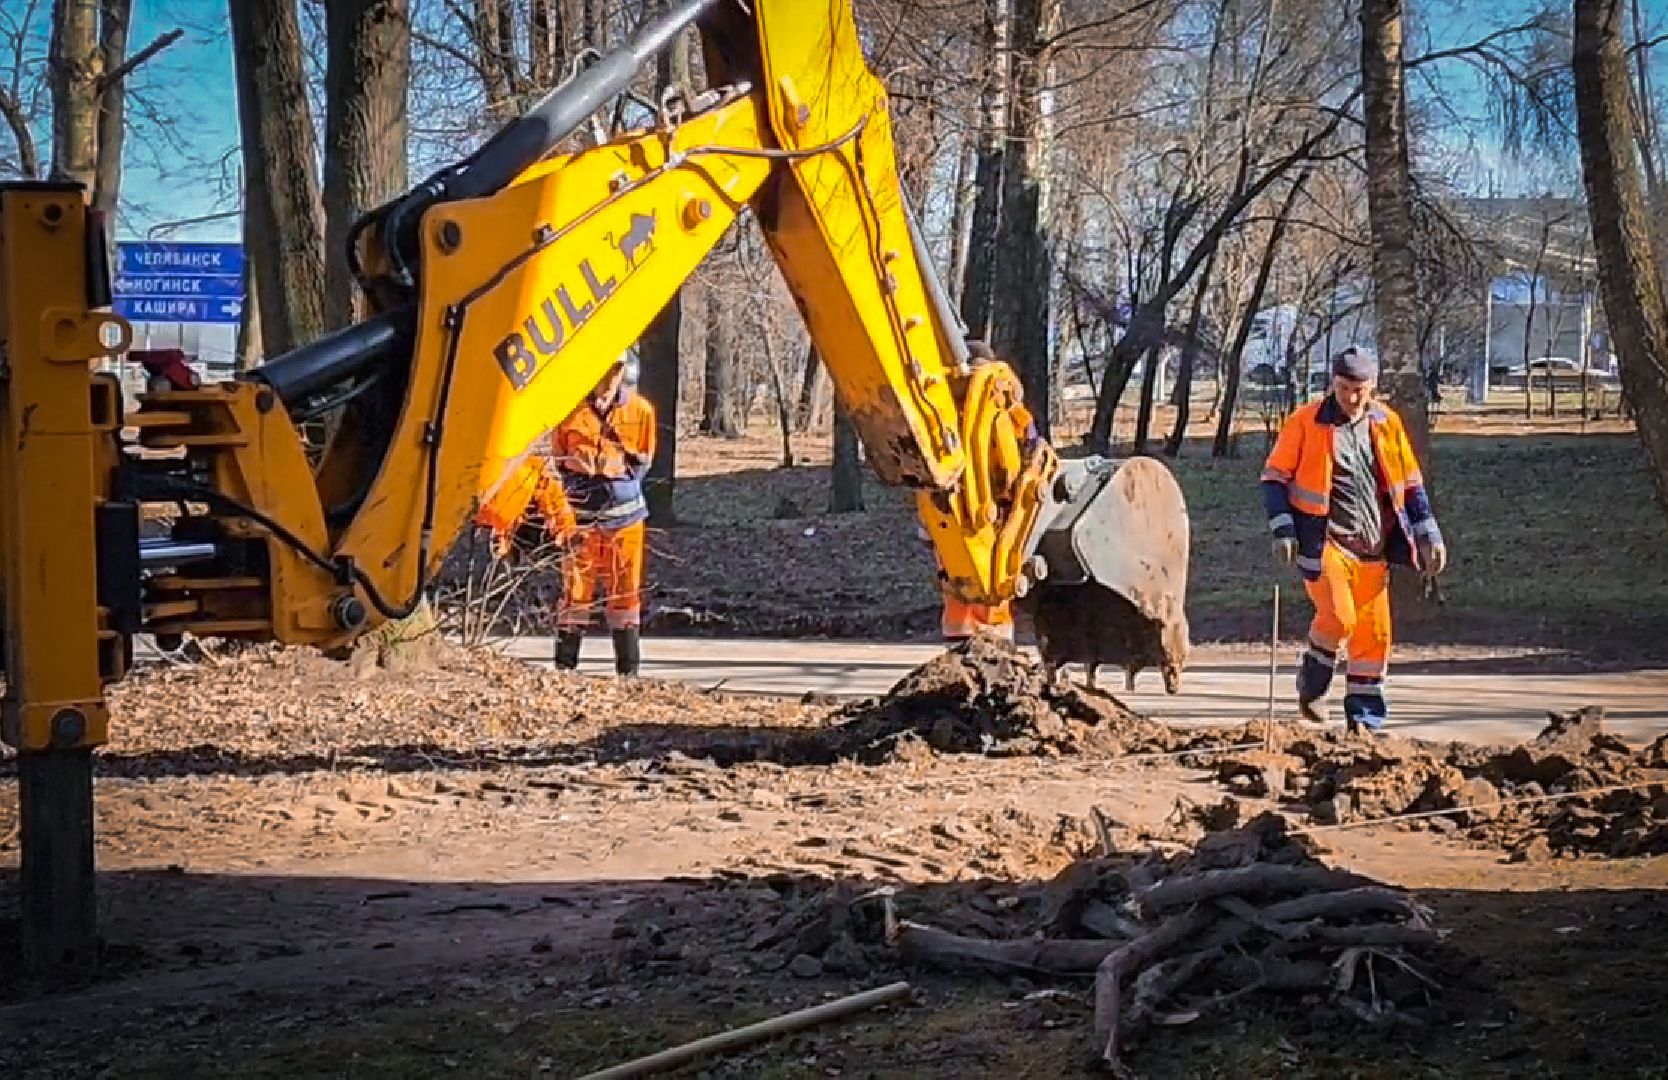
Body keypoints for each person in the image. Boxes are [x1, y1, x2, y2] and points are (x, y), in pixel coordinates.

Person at [1260, 347, 1448, 734]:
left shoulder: (1387, 423)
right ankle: (1312, 684)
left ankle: (1364, 723)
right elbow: (1274, 479)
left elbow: (1410, 485)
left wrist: (1428, 533)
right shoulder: (1305, 422)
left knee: (1373, 638)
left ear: (1373, 386)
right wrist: (1283, 529)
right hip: (1327, 543)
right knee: (1340, 617)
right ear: (1333, 383)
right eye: (1344, 388)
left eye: (1359, 389)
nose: (1351, 397)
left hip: (1374, 550)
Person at [547, 356, 656, 676]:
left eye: (615, 369)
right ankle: (565, 669)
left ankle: (628, 672)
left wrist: (616, 470)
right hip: (580, 520)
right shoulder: (569, 411)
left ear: (624, 372)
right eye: (604, 367)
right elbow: (558, 458)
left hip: (626, 520)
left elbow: (645, 460)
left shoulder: (641, 411)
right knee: (575, 596)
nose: (608, 376)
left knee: (625, 595)